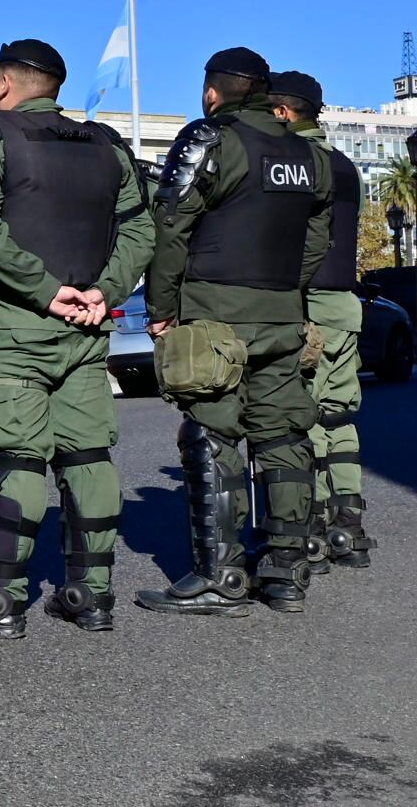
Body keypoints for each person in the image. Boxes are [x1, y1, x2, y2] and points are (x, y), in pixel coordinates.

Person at [0, 40, 155, 638]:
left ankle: (0, 601)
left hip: (16, 324)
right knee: (89, 457)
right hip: (89, 326)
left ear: (4, 83)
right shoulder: (107, 146)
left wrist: (43, 290)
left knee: (18, 458)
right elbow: (142, 228)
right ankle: (91, 595)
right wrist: (103, 289)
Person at [137, 48, 332, 616]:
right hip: (280, 311)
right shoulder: (310, 155)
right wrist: (285, 290)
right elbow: (319, 238)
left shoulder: (210, 139)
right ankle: (285, 571)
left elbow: (170, 227)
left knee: (211, 433)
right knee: (283, 434)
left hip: (215, 309)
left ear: (213, 91)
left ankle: (221, 577)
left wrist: (161, 306)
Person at [269, 70, 375, 571]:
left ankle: (307, 525)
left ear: (284, 113)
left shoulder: (293, 163)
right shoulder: (346, 164)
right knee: (340, 416)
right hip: (344, 305)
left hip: (304, 304)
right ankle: (348, 525)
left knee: (302, 416)